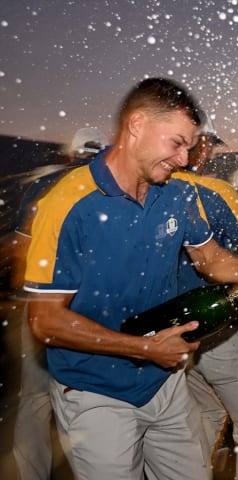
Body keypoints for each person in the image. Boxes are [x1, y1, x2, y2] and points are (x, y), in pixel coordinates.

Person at [23, 77, 238, 479]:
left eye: (190, 146)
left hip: (165, 383)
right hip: (95, 392)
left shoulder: (179, 194)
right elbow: (45, 320)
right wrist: (142, 348)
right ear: (137, 125)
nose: (185, 158)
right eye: (177, 143)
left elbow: (211, 258)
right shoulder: (66, 204)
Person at [171, 113, 238, 479]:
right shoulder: (214, 191)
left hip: (175, 334)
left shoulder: (150, 188)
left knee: (200, 423)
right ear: (196, 144)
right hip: (221, 328)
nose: (210, 154)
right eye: (210, 145)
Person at [10, 127, 107, 480]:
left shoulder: (44, 187)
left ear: (69, 154)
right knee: (94, 397)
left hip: (45, 305)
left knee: (35, 401)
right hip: (99, 310)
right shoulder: (112, 187)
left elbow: (23, 250)